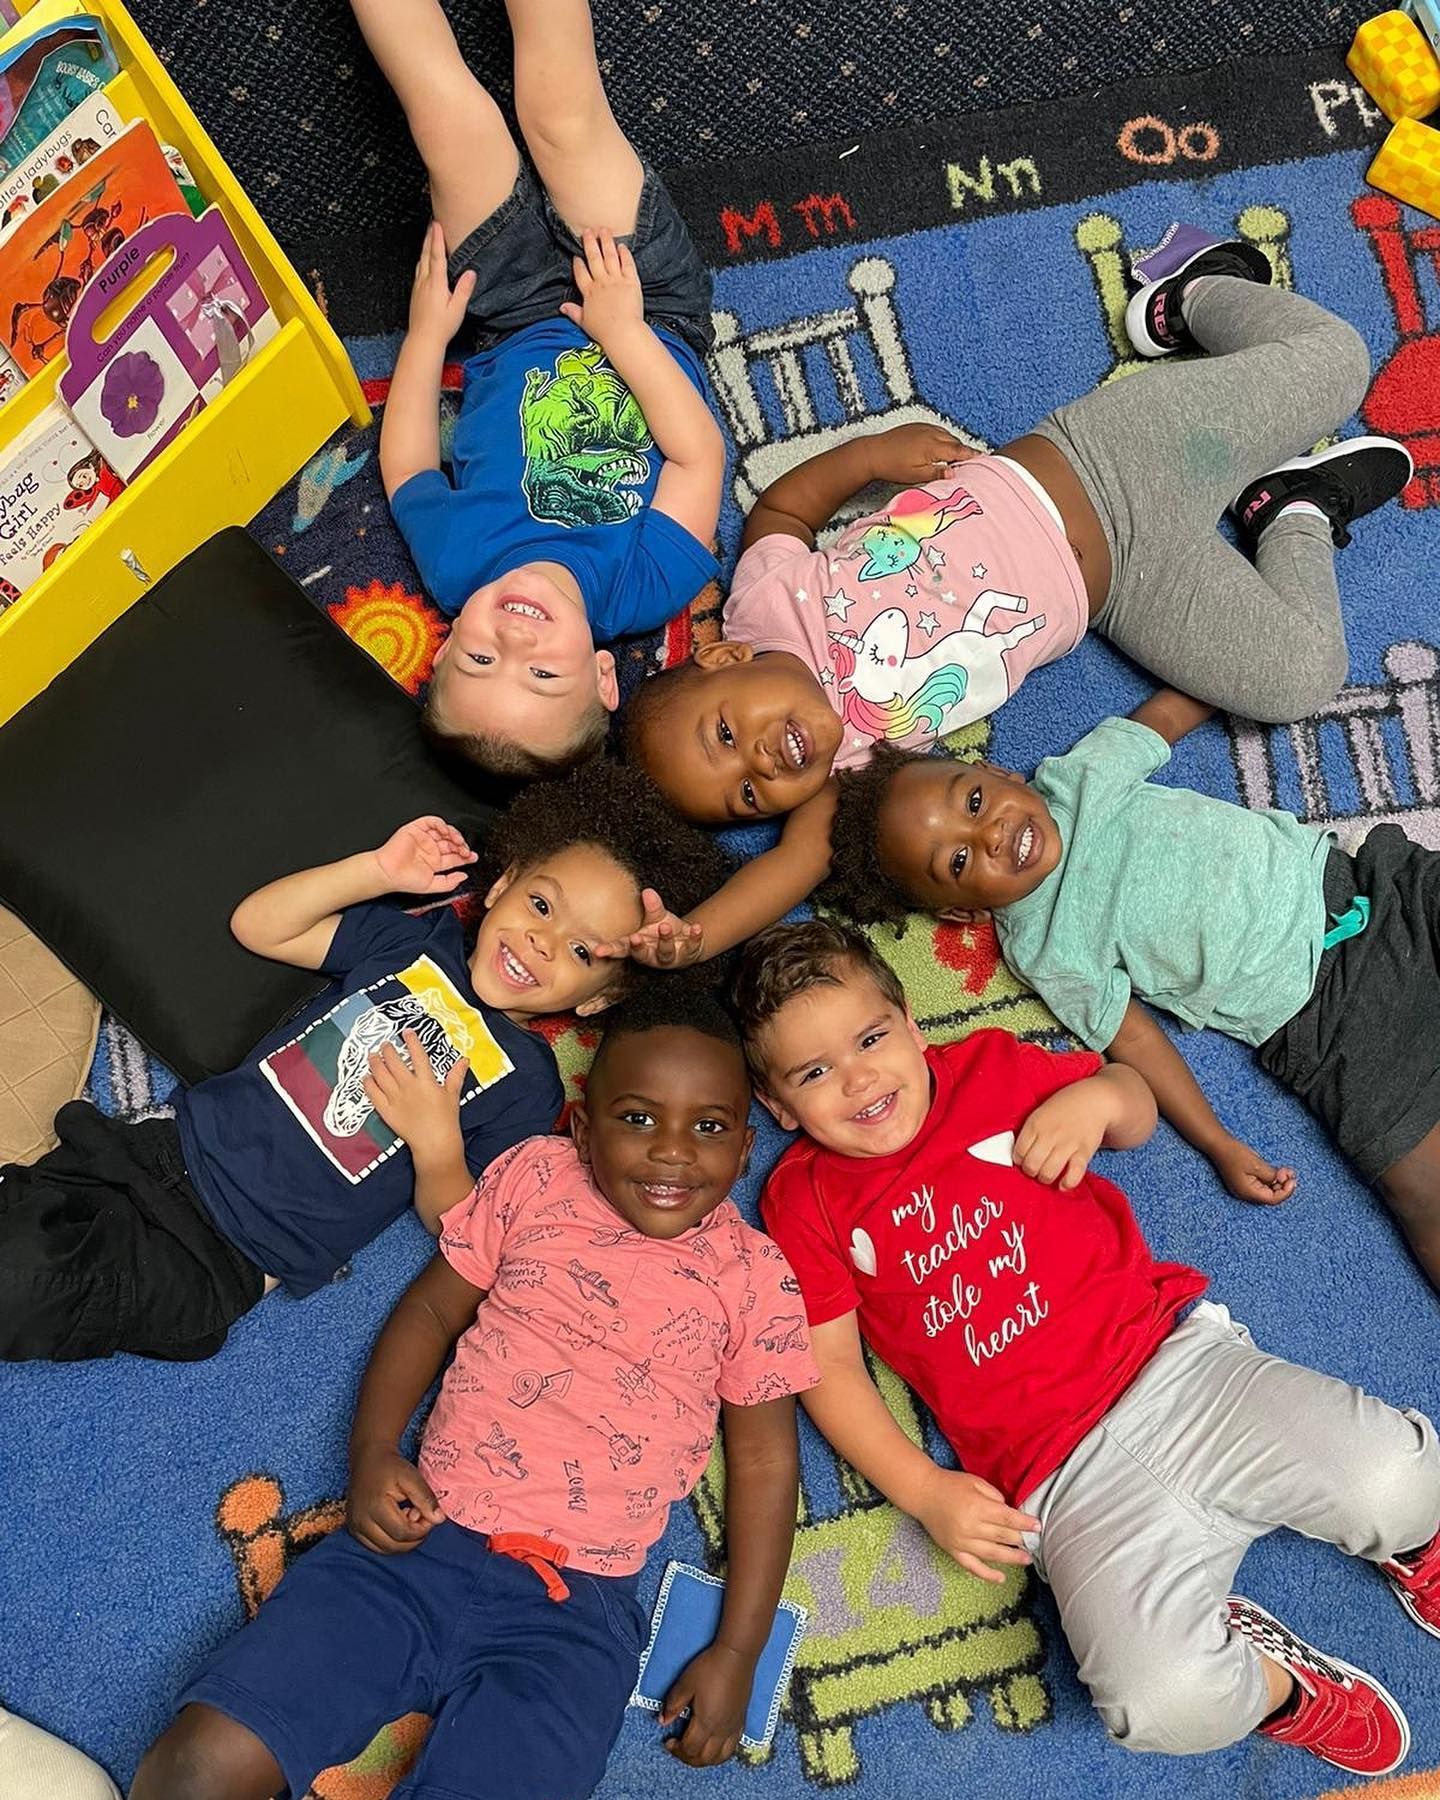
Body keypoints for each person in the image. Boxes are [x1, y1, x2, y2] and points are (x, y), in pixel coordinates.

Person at [734, 918, 1440, 1775]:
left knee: (1405, 1485)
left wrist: (1096, 1099)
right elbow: (831, 1369)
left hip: (1182, 1375)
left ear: (915, 1026)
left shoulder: (993, 1066)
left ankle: (1414, 1548)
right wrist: (922, 1490)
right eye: (814, 1074)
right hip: (1060, 1486)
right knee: (1160, 1710)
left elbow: (1133, 1110)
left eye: (871, 1039)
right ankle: (1281, 1685)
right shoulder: (803, 1197)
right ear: (777, 1107)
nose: (858, 1080)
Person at [613, 223, 1411, 966]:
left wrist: (867, 456)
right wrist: (696, 935)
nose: (758, 765)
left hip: (1103, 458)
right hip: (1124, 589)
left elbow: (782, 508)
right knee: (1301, 679)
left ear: (723, 656)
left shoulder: (764, 603)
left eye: (724, 735)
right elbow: (788, 869)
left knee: (1338, 358)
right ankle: (1292, 511)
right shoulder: (850, 771)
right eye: (747, 796)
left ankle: (1186, 290)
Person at [131, 985, 820, 1800]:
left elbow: (769, 1465)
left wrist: (737, 1652)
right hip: (413, 1545)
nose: (672, 1151)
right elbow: (427, 1311)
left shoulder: (757, 1279)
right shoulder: (536, 1179)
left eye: (708, 1128)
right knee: (196, 1766)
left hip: (572, 1617)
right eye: (636, 1117)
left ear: (745, 1149)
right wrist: (373, 1451)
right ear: (580, 1126)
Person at [0, 762, 729, 1362]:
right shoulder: (416, 944)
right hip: (155, 1148)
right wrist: (376, 870)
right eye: (542, 905)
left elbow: (465, 1229)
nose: (543, 941)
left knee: (26, 1285)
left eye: (579, 951)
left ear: (598, 1001)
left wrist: (436, 1138)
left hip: (220, 1253)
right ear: (500, 886)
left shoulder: (526, 1084)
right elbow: (260, 925)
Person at [820, 680, 1440, 1289]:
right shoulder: (1042, 948)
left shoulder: (1080, 778)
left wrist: (1247, 675)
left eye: (975, 802)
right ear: (963, 914)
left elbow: (1168, 715)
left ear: (1000, 773)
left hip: (1374, 894)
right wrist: (1218, 1143)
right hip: (1329, 1027)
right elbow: (1137, 1043)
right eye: (958, 862)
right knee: (1422, 1197)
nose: (990, 835)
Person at [352, 0, 725, 778]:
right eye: (542, 675)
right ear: (601, 676)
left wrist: (424, 338)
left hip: (511, 310)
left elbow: (411, 467)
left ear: (448, 641)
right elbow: (697, 457)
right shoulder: (645, 587)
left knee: (449, 124)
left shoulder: (455, 567)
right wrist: (623, 330)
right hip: (646, 302)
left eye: (481, 661)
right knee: (562, 115)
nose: (515, 644)